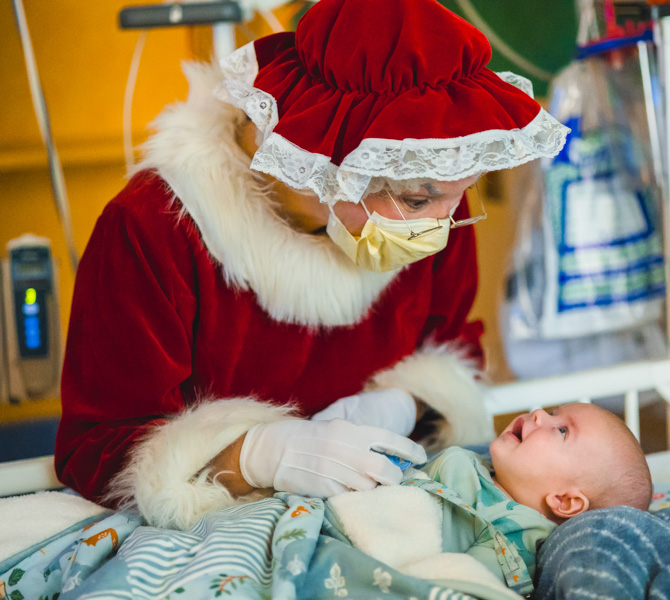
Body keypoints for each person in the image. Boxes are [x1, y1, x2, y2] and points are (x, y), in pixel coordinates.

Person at [54, 0, 569, 531]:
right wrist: (258, 454)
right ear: (323, 159)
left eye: (459, 193)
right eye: (420, 199)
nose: (442, 226)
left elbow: (455, 347)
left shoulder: (426, 217)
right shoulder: (151, 229)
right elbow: (96, 447)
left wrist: (410, 403)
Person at [324, 402, 653, 598]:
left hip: (356, 552)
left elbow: (460, 581)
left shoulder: (512, 536)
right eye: (554, 412)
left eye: (562, 430)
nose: (539, 414)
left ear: (564, 501)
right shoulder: (486, 468)